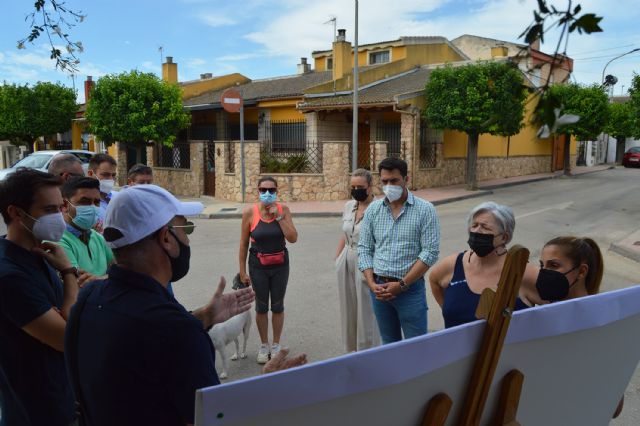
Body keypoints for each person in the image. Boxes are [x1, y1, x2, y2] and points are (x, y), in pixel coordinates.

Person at [64, 184, 306, 426]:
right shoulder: (180, 333)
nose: (188, 239)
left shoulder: (88, 298)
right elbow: (214, 418)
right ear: (166, 238)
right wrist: (265, 386)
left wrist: (204, 316)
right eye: (185, 228)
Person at [0, 169, 78, 426]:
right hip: (36, 412)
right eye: (49, 209)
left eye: (60, 207)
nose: (59, 217)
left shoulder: (38, 253)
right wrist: (69, 273)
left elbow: (65, 317)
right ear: (16, 213)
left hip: (61, 400)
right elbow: (67, 338)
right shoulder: (9, 275)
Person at [358, 158, 440, 344]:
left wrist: (402, 284)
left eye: (394, 180)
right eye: (385, 181)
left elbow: (430, 252)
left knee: (416, 345)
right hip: (379, 289)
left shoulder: (425, 210)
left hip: (410, 291)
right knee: (389, 344)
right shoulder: (373, 210)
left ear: (406, 179)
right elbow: (364, 248)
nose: (389, 186)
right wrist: (371, 283)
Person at [429, 202, 539, 329]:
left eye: (485, 227)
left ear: (504, 237)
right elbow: (434, 280)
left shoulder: (523, 273)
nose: (477, 231)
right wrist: (448, 310)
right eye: (474, 225)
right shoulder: (453, 264)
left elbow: (556, 307)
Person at [239, 177, 298, 363]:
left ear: (276, 191)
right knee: (262, 306)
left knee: (278, 305)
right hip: (258, 266)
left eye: (271, 190)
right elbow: (243, 244)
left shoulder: (283, 210)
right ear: (257, 190)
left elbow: (293, 238)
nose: (267, 193)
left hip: (280, 265)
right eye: (263, 190)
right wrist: (242, 271)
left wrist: (278, 217)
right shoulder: (250, 212)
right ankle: (264, 345)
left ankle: (276, 344)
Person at [335, 168, 380, 352]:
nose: (356, 190)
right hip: (346, 258)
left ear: (370, 186)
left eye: (360, 187)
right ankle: (351, 350)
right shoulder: (349, 206)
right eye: (352, 187)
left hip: (367, 260)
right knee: (348, 307)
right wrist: (337, 259)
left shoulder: (379, 208)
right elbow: (345, 232)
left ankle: (368, 350)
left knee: (366, 309)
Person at [58, 176, 114, 285]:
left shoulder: (97, 237)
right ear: (65, 205)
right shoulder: (58, 240)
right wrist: (109, 278)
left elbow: (121, 270)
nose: (92, 207)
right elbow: (79, 284)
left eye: (96, 202)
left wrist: (100, 279)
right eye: (85, 201)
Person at [535, 236, 603, 303]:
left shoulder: (600, 309)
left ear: (581, 272)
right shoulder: (547, 305)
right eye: (542, 265)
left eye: (554, 265)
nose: (544, 272)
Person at [87, 153, 118, 231]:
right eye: (105, 175)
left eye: (113, 175)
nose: (111, 179)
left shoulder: (118, 197)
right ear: (90, 174)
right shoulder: (84, 204)